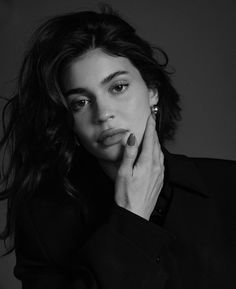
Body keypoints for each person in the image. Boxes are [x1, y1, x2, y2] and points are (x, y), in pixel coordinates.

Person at [0, 6, 235, 289]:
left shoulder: (228, 186)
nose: (103, 113)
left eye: (118, 87)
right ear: (69, 120)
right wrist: (131, 219)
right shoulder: (44, 222)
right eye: (80, 102)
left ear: (152, 91)